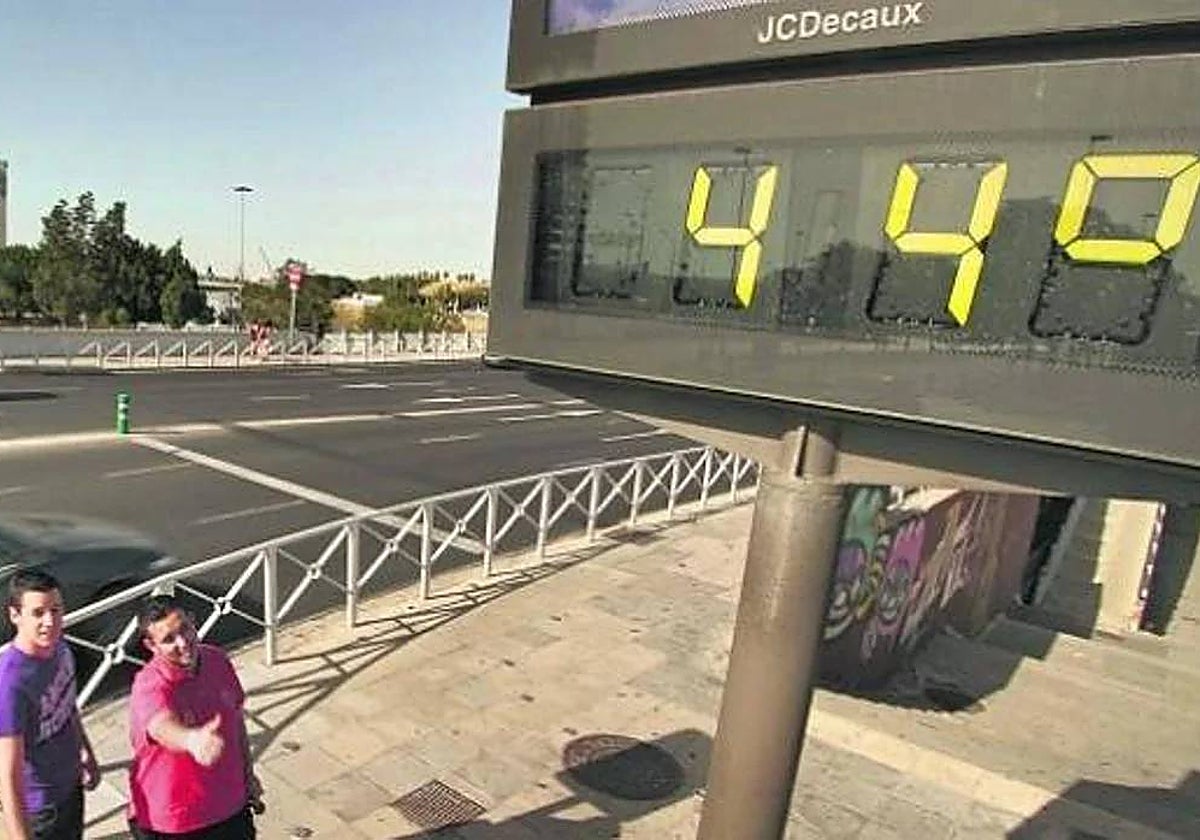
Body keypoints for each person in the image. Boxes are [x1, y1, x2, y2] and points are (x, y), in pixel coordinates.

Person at [127, 596, 262, 839]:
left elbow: (236, 721)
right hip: (175, 820)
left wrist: (248, 775)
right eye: (168, 640)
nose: (182, 643)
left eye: (184, 629)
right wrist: (191, 740)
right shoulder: (149, 685)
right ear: (151, 645)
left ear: (192, 621)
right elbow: (160, 725)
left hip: (230, 805)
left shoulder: (217, 660)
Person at [0, 568, 101, 840]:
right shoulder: (10, 684)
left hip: (70, 786)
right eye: (38, 613)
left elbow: (66, 703)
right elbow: (8, 777)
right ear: (15, 615)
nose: (50, 621)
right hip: (42, 808)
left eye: (56, 610)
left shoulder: (60, 647)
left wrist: (86, 750)